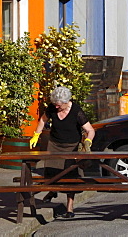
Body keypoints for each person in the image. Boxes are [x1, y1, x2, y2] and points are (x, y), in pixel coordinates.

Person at [29, 86, 95, 219]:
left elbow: (91, 130)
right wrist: (36, 134)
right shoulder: (52, 108)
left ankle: (69, 207)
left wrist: (88, 141)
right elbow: (43, 120)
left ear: (66, 102)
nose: (56, 107)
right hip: (54, 144)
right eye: (55, 105)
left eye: (59, 105)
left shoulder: (76, 111)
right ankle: (52, 191)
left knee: (70, 177)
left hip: (71, 146)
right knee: (52, 172)